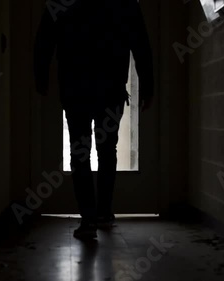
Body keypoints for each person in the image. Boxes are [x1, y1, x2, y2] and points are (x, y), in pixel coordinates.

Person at [34, 0, 154, 239]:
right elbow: (140, 44)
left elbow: (44, 39)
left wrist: (42, 77)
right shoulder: (125, 5)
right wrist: (148, 85)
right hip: (110, 90)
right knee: (107, 149)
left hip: (76, 89)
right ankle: (103, 213)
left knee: (81, 153)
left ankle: (89, 219)